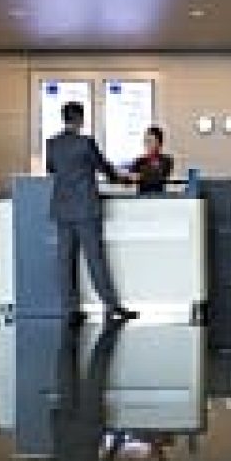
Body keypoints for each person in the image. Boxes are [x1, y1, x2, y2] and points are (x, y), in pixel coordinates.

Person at [46, 101, 139, 324]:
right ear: (80, 119)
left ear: (64, 119)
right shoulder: (86, 143)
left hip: (62, 209)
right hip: (86, 209)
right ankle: (111, 305)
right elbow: (103, 168)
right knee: (95, 259)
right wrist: (123, 179)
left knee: (65, 260)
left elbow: (51, 168)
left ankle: (70, 310)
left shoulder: (52, 144)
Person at [127, 126, 174, 194]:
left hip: (159, 197)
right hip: (142, 197)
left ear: (159, 143)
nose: (147, 144)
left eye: (150, 141)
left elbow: (159, 176)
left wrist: (141, 176)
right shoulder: (138, 161)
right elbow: (130, 179)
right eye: (146, 141)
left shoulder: (166, 160)